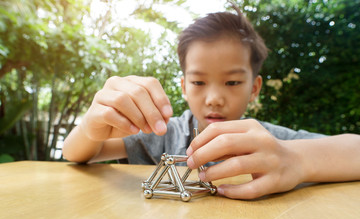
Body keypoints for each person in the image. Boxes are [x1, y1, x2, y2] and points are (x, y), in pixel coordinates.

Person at [62, 7, 360, 200]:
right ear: (183, 86)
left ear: (254, 88)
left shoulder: (270, 143)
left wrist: (298, 160)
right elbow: (78, 155)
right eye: (198, 82)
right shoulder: (164, 135)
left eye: (232, 82)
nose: (214, 97)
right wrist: (91, 125)